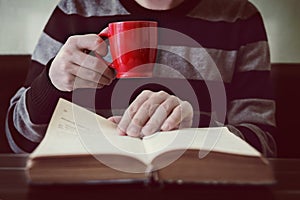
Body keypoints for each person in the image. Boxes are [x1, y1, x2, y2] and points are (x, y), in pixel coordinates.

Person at [5, 0, 277, 157]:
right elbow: (18, 142)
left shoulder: (240, 17)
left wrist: (194, 130)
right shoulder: (75, 10)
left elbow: (265, 145)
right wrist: (50, 85)